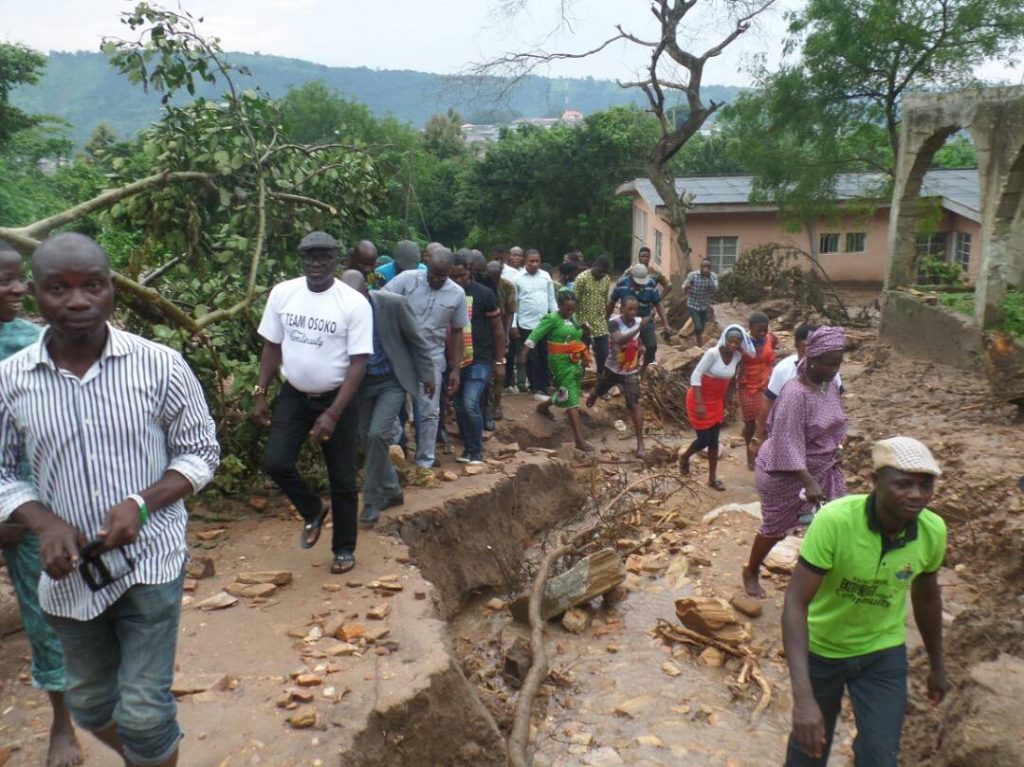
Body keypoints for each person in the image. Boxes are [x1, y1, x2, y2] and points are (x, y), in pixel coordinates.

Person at [0, 233, 220, 767]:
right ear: (36, 294)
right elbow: (3, 469)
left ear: (111, 290)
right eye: (59, 288)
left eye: (92, 286)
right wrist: (42, 520)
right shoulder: (11, 380)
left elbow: (200, 451)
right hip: (69, 573)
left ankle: (149, 751)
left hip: (151, 560)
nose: (77, 301)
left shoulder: (160, 364)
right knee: (91, 702)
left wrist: (141, 503)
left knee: (144, 712)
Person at [783, 436, 946, 767]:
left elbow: (927, 597)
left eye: (925, 486)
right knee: (808, 750)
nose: (916, 495)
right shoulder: (836, 521)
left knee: (879, 757)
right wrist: (802, 697)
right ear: (876, 482)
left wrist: (937, 665)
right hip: (823, 648)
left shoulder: (933, 531)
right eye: (903, 484)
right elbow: (796, 602)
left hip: (881, 653)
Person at [0, 241, 82, 767]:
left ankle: (62, 722)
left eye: (19, 279)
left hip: (24, 509)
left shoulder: (33, 344)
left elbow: (54, 431)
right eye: (4, 281)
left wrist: (19, 512)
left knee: (41, 609)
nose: (16, 290)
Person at [255, 231, 372, 574]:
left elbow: (359, 364)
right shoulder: (283, 294)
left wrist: (333, 414)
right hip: (294, 393)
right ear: (301, 259)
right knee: (275, 462)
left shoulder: (353, 303)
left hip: (338, 397)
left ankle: (344, 549)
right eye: (310, 256)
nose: (316, 263)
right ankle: (312, 510)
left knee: (343, 479)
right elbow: (272, 345)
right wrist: (260, 392)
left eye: (324, 257)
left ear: (337, 261)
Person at [743, 326, 848, 599]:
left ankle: (823, 582)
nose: (835, 369)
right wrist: (808, 480)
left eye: (838, 363)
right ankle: (751, 570)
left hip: (822, 466)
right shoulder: (795, 393)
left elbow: (837, 420)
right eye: (829, 363)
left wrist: (837, 446)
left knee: (835, 523)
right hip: (784, 472)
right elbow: (785, 440)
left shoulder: (829, 385)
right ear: (812, 359)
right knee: (776, 529)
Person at [339, 271, 435, 526]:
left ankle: (371, 501)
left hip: (391, 381)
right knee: (367, 440)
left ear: (366, 292)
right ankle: (392, 490)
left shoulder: (391, 304)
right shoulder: (339, 312)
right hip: (361, 385)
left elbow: (417, 340)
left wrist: (428, 375)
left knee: (378, 435)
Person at [385, 247, 468, 474]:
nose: (436, 280)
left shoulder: (457, 294)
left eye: (442, 276)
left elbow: (458, 332)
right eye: (433, 274)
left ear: (450, 271)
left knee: (430, 411)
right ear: (426, 264)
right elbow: (381, 303)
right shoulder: (406, 280)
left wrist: (456, 369)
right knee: (390, 405)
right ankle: (394, 456)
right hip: (400, 353)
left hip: (431, 357)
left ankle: (425, 461)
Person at [520, 289, 593, 451]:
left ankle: (543, 406)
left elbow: (577, 337)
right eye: (567, 308)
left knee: (566, 391)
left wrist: (585, 333)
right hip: (559, 362)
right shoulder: (551, 318)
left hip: (574, 360)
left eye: (573, 308)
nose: (570, 311)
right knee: (572, 398)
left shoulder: (573, 318)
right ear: (559, 305)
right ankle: (579, 440)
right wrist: (524, 353)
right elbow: (535, 334)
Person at [678, 324, 749, 490]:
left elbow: (731, 379)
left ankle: (712, 478)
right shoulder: (712, 354)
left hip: (717, 401)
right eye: (731, 341)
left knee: (714, 442)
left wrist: (728, 400)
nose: (734, 344)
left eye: (737, 342)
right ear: (724, 339)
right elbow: (696, 376)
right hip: (699, 398)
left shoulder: (737, 356)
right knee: (704, 440)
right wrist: (700, 404)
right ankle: (684, 457)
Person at [752, 324, 844, 450]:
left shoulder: (829, 374)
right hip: (788, 437)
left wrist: (839, 434)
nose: (808, 356)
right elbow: (768, 404)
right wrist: (757, 437)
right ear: (796, 348)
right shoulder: (784, 371)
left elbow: (837, 403)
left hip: (821, 441)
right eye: (804, 350)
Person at [450, 253, 505, 464]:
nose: (457, 281)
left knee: (470, 402)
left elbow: (498, 330)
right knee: (460, 405)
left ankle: (476, 450)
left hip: (480, 358)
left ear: (469, 271)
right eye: (453, 277)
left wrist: (499, 361)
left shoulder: (485, 294)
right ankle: (468, 447)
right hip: (455, 360)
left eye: (461, 275)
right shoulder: (447, 294)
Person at [586, 295, 645, 457]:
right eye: (630, 309)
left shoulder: (639, 322)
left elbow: (640, 340)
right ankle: (594, 394)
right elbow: (619, 340)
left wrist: (641, 348)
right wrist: (638, 329)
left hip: (631, 370)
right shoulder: (614, 322)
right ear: (622, 309)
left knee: (634, 404)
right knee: (601, 387)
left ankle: (641, 443)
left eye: (635, 309)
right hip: (612, 368)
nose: (633, 312)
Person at [608, 264, 674, 374]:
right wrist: (606, 319)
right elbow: (612, 302)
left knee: (652, 347)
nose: (639, 285)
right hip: (626, 322)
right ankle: (626, 371)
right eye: (637, 282)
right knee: (629, 349)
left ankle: (643, 370)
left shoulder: (650, 284)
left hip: (645, 320)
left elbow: (658, 304)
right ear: (631, 277)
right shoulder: (621, 284)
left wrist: (666, 324)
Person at [512, 249, 557, 394]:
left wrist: (556, 318)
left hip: (544, 323)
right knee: (532, 356)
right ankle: (535, 386)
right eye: (531, 261)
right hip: (526, 324)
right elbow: (514, 304)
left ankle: (546, 384)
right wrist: (513, 325)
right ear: (526, 261)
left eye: (537, 261)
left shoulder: (546, 276)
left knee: (545, 354)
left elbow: (551, 299)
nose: (535, 264)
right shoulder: (517, 278)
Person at [738, 311, 777, 469]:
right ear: (750, 328)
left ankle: (764, 455)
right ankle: (750, 455)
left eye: (764, 330)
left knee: (767, 422)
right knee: (751, 424)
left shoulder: (770, 339)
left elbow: (772, 351)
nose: (762, 333)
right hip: (747, 387)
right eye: (758, 330)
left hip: (767, 385)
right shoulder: (742, 343)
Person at [573, 255, 612, 381]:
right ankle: (577, 383)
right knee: (582, 356)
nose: (602, 274)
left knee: (604, 355)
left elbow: (605, 300)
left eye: (604, 272)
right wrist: (577, 322)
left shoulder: (606, 279)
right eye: (600, 271)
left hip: (600, 324)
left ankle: (600, 384)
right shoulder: (582, 278)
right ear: (594, 266)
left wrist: (606, 318)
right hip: (583, 323)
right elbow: (574, 302)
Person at [486, 259, 516, 421]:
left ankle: (497, 403)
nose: (493, 279)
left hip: (499, 333)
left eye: (496, 276)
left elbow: (510, 312)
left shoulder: (507, 286)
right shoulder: (482, 285)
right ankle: (486, 404)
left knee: (499, 371)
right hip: (483, 334)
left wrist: (505, 335)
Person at [682, 258, 718, 347]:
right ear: (700, 267)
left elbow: (715, 289)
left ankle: (697, 338)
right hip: (693, 305)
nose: (705, 269)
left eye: (708, 267)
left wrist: (709, 278)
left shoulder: (713, 276)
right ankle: (699, 344)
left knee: (702, 326)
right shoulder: (693, 275)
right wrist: (687, 287)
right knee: (698, 326)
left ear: (710, 268)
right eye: (703, 266)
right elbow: (683, 286)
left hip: (704, 306)